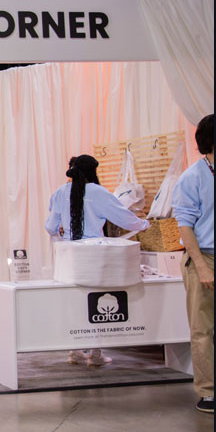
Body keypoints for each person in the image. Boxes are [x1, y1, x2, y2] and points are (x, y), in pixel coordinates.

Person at [45, 154, 151, 367]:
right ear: (93, 171)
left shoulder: (60, 193)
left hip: (68, 257)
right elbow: (124, 218)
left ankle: (74, 350)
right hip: (93, 256)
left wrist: (62, 230)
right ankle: (95, 353)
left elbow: (50, 227)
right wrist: (144, 224)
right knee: (95, 304)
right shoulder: (98, 192)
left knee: (73, 304)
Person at [171, 114, 215, 414]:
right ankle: (209, 391)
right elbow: (184, 226)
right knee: (203, 329)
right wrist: (201, 265)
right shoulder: (192, 178)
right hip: (205, 255)